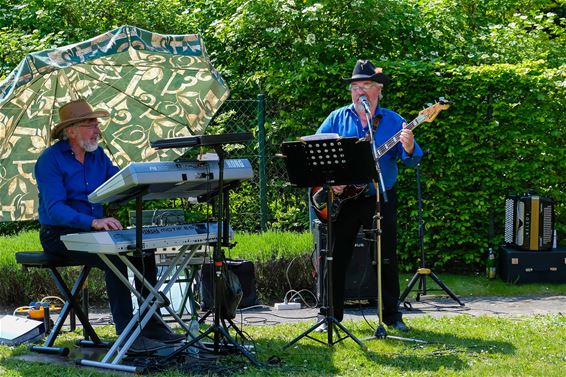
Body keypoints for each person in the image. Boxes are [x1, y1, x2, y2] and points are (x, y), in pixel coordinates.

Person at [35, 99, 185, 352]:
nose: (97, 130)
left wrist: (146, 181)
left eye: (97, 124)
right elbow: (55, 210)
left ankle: (151, 324)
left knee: (143, 251)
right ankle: (127, 335)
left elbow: (119, 183)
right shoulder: (50, 160)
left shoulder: (99, 156)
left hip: (95, 232)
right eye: (90, 124)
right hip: (59, 235)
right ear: (71, 131)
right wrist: (93, 222)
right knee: (115, 260)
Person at [315, 60, 423, 332]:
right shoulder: (336, 118)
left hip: (380, 197)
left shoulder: (394, 121)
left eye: (365, 86)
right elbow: (314, 155)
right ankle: (329, 316)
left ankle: (391, 316)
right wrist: (332, 183)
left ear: (378, 90)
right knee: (335, 257)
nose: (359, 91)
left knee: (386, 257)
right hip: (344, 201)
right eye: (355, 87)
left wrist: (409, 147)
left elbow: (412, 161)